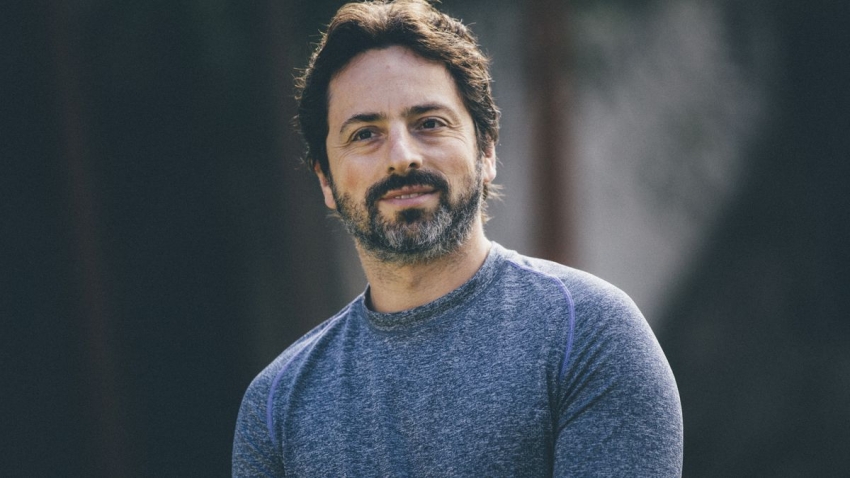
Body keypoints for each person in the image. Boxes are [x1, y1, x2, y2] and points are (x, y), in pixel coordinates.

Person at [232, 0, 683, 476]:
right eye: (365, 134)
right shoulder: (275, 405)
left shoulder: (588, 335)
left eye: (429, 123)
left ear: (486, 151)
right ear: (325, 179)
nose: (401, 157)